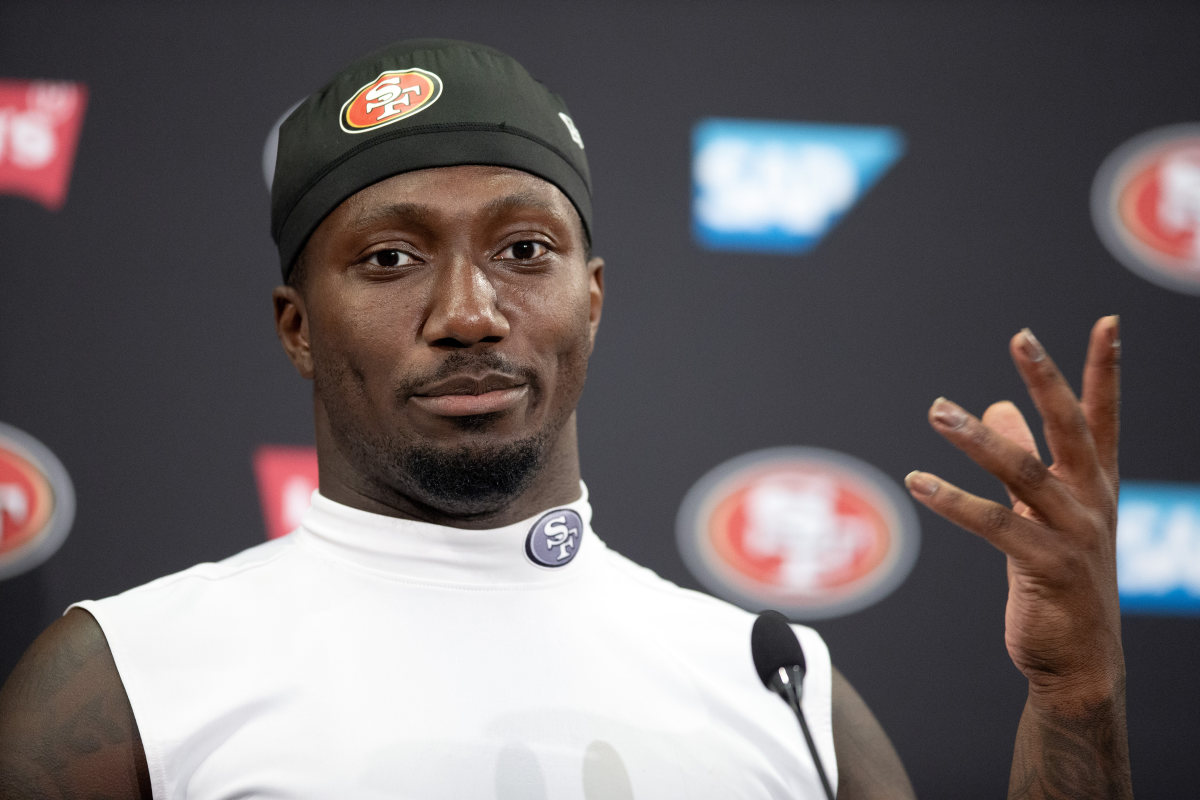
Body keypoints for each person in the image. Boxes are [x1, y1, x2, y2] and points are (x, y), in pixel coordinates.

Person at [0, 38, 1131, 799]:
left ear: (592, 296)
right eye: (390, 258)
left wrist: (1076, 695)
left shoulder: (776, 679)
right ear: (298, 326)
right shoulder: (124, 679)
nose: (469, 312)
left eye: (524, 250)